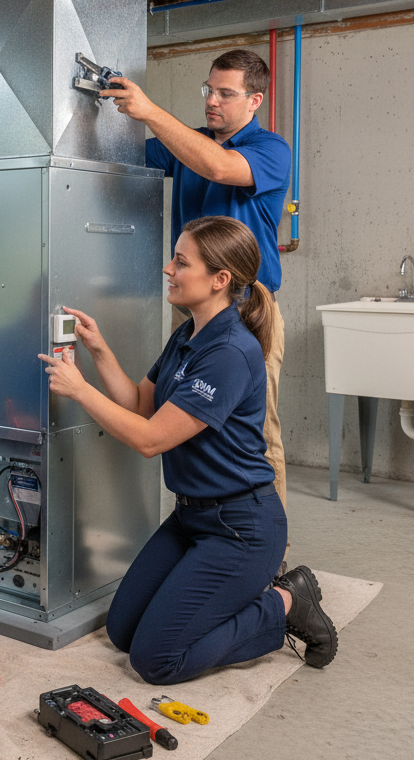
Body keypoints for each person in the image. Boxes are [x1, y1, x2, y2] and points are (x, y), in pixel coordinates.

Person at [38, 216, 336, 685]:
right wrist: (98, 351)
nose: (167, 269)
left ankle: (283, 602)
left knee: (156, 660)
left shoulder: (231, 352)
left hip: (242, 528)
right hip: (191, 518)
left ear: (220, 280)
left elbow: (150, 439)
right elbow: (139, 403)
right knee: (122, 632)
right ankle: (237, 600)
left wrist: (78, 391)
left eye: (181, 262)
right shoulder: (188, 335)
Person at [102, 50, 291, 511]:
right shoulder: (186, 142)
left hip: (247, 306)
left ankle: (269, 551)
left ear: (255, 100)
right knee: (178, 415)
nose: (213, 101)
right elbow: (116, 155)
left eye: (227, 93)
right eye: (210, 90)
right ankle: (204, 528)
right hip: (194, 309)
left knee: (257, 431)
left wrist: (148, 111)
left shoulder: (270, 149)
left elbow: (219, 167)